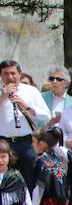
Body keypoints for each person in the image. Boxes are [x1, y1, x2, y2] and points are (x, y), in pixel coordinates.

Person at [1, 59, 52, 191]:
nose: (10, 77)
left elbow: (46, 116)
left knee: (29, 179)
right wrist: (3, 96)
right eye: (6, 73)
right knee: (6, 181)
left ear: (19, 74)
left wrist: (25, 105)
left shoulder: (31, 91)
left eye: (13, 73)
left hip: (27, 142)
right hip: (4, 143)